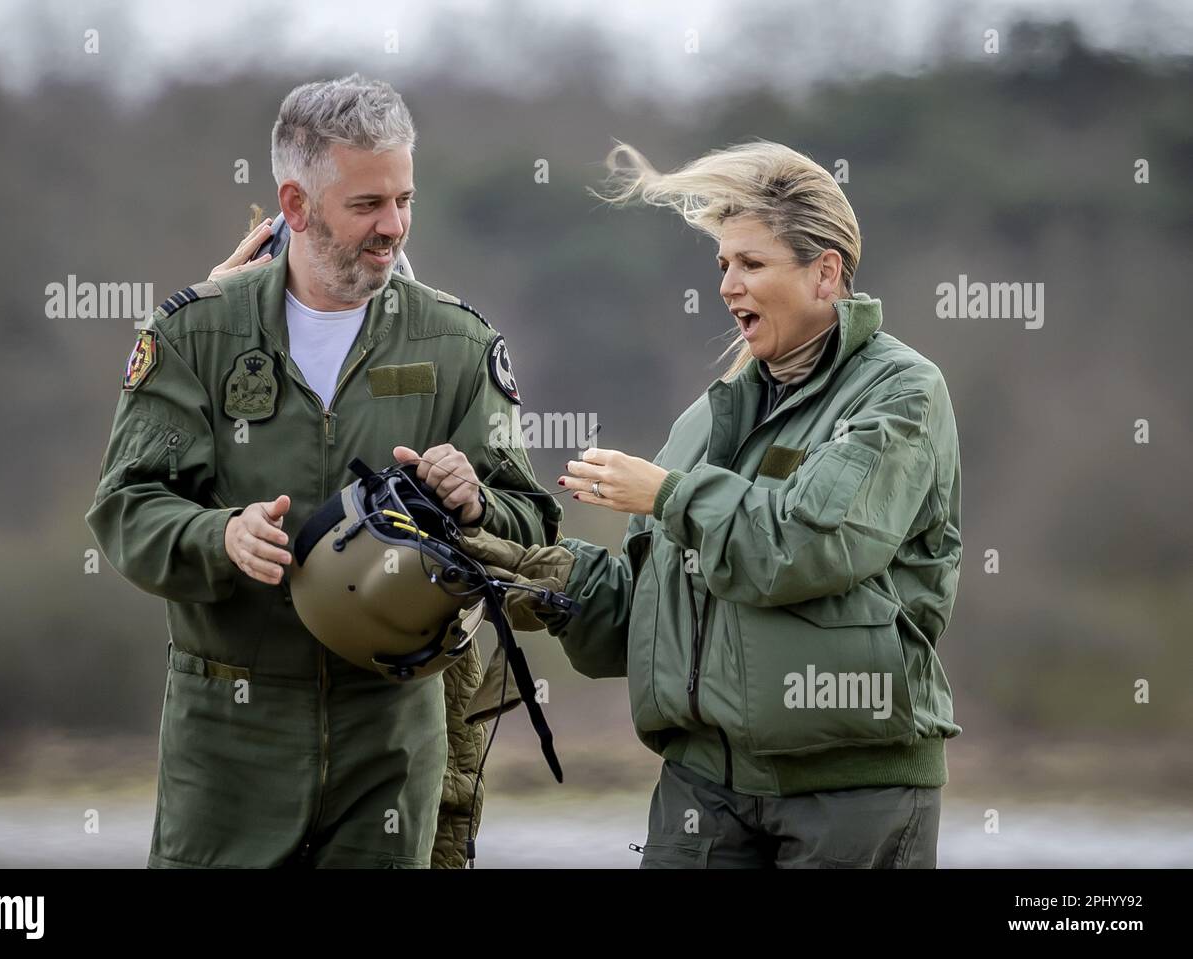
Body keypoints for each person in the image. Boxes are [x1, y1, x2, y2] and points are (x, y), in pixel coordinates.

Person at [86, 74, 559, 869]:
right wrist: (218, 535)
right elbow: (126, 508)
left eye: (404, 199)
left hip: (392, 736)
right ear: (297, 206)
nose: (395, 227)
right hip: (230, 734)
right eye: (368, 205)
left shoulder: (458, 345)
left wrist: (475, 507)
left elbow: (536, 525)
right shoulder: (194, 336)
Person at [461, 140, 962, 868]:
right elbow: (647, 607)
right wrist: (539, 573)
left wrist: (667, 492)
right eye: (723, 264)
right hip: (701, 791)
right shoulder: (705, 417)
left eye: (752, 264)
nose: (728, 286)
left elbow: (803, 546)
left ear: (826, 274)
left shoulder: (902, 393)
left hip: (855, 793)